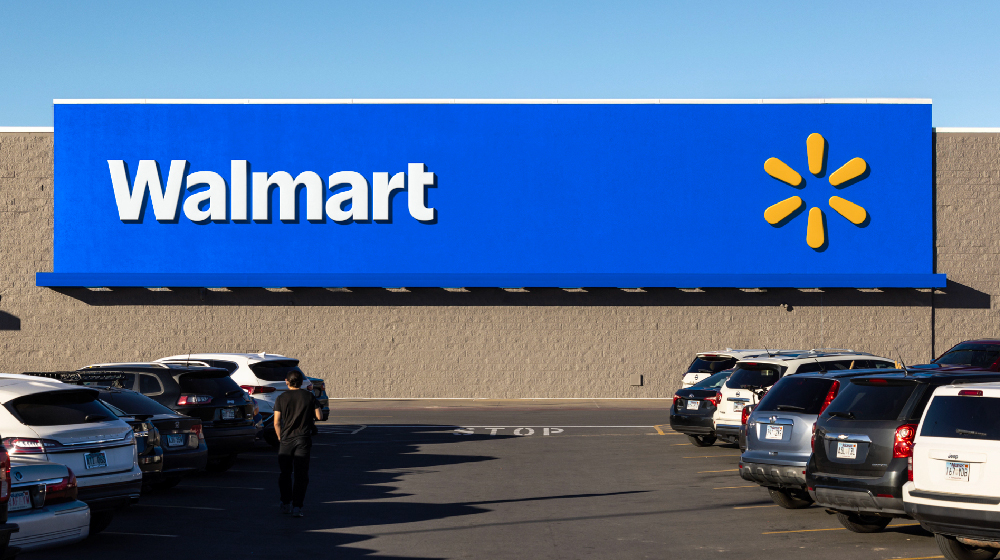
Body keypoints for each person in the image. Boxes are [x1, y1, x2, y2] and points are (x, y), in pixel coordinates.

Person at [273, 369, 322, 517]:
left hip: (286, 440)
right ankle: (297, 507)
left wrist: (280, 438)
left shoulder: (281, 398)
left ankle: (285, 503)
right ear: (301, 382)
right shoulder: (309, 396)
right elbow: (319, 416)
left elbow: (276, 422)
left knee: (285, 473)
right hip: (303, 439)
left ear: (287, 381)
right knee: (301, 475)